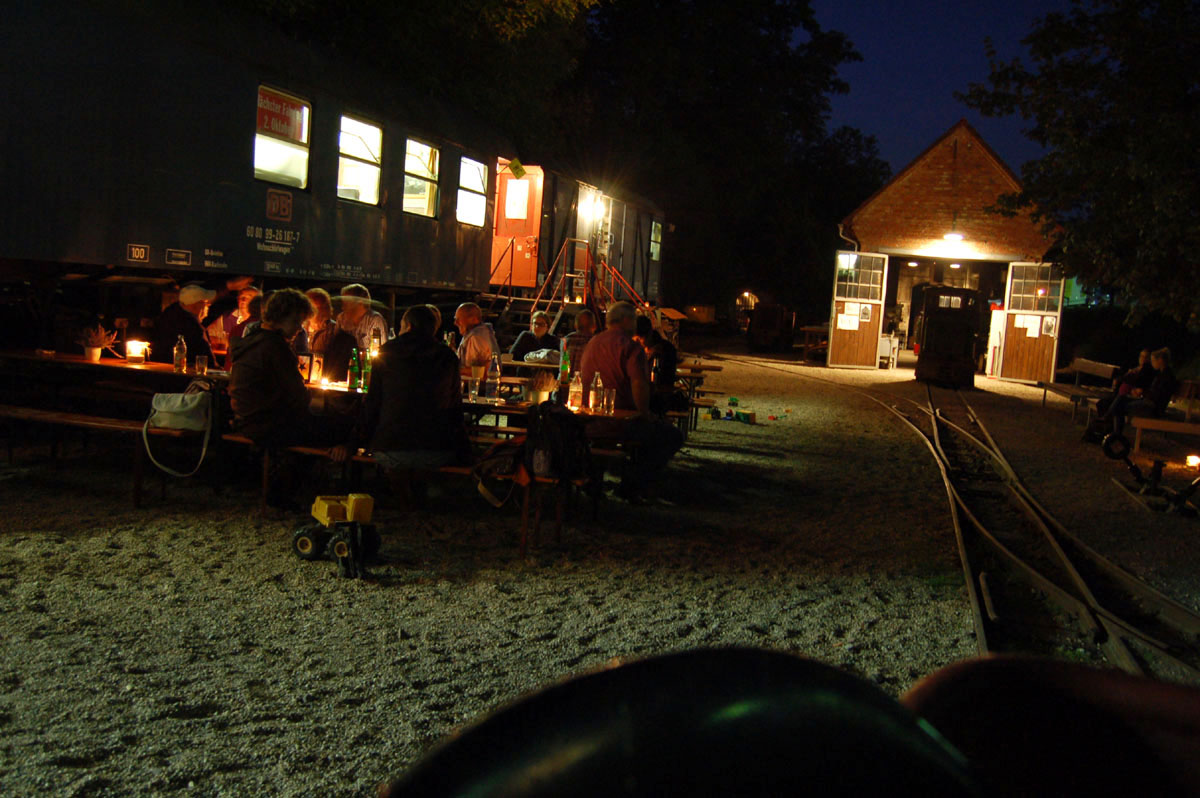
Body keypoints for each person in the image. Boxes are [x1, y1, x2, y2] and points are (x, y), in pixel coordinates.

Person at [579, 301, 683, 501]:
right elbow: (639, 385)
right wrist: (647, 414)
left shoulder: (593, 343)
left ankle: (610, 479)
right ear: (626, 320)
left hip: (590, 420)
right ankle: (634, 483)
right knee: (671, 436)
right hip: (619, 423)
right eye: (634, 319)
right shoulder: (630, 347)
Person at [228, 288, 350, 454]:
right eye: (296, 322)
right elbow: (299, 396)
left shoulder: (251, 340)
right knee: (344, 426)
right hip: (269, 426)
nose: (299, 328)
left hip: (245, 421)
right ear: (282, 317)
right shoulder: (276, 347)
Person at [355, 305, 469, 472]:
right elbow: (454, 407)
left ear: (408, 326)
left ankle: (401, 494)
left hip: (391, 446)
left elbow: (372, 401)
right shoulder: (447, 356)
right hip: (436, 449)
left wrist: (355, 441)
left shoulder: (387, 352)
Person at [1103, 347, 1179, 437]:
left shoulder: (1166, 376)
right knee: (1122, 398)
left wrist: (1143, 393)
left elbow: (1158, 396)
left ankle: (1113, 431)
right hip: (1148, 401)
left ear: (1161, 360)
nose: (1152, 363)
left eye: (1153, 361)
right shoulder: (1161, 374)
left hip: (1153, 407)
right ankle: (1111, 427)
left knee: (1120, 407)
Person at [152, 283, 214, 363]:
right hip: (185, 372)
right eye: (206, 303)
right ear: (194, 305)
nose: (207, 308)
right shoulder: (192, 326)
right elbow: (207, 360)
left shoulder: (169, 314)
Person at [303, 287, 356, 382]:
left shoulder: (337, 334)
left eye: (324, 307)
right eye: (316, 308)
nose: (320, 312)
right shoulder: (300, 330)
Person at [634, 314, 679, 412]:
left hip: (658, 398)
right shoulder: (637, 349)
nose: (639, 341)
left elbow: (665, 380)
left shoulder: (665, 350)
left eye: (640, 338)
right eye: (636, 338)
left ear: (649, 333)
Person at [1096, 348, 1155, 416]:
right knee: (1102, 403)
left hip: (1128, 395)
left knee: (1116, 406)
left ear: (1149, 359)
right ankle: (1105, 422)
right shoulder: (1136, 368)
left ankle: (1105, 419)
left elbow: (1139, 386)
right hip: (1121, 392)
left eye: (1145, 357)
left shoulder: (1146, 371)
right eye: (1141, 356)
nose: (1142, 358)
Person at [336, 283, 391, 351]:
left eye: (346, 303)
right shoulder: (341, 319)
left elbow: (380, 351)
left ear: (360, 302)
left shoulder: (375, 320)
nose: (342, 307)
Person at [454, 302, 500, 373]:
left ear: (473, 319)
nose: (456, 323)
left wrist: (452, 371)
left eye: (459, 319)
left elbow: (484, 371)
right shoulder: (475, 334)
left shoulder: (477, 338)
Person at [562, 309, 597, 376]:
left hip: (565, 381)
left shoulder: (566, 340)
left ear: (575, 326)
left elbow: (563, 366)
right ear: (594, 327)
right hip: (585, 383)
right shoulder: (596, 342)